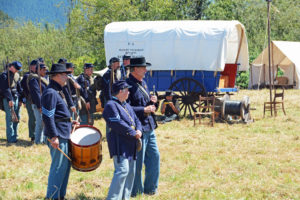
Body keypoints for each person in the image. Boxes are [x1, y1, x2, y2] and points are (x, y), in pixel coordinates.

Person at [42, 63, 77, 200]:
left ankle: (60, 195)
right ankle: (52, 196)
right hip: (58, 134)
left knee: (64, 167)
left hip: (64, 131)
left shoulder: (58, 91)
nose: (67, 77)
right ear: (56, 76)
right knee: (58, 167)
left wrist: (70, 121)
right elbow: (48, 116)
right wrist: (53, 136)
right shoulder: (50, 92)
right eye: (64, 75)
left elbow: (58, 115)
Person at [126, 56, 160, 196]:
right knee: (138, 163)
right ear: (135, 69)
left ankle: (151, 189)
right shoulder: (127, 85)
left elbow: (148, 105)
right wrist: (143, 110)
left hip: (149, 126)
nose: (146, 70)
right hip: (138, 128)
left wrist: (154, 102)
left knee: (154, 157)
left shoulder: (143, 83)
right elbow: (124, 108)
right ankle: (136, 191)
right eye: (143, 67)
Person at [103, 80, 142, 200]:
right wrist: (133, 132)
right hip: (120, 143)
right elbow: (116, 123)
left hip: (131, 142)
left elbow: (136, 120)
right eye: (127, 90)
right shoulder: (110, 105)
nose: (129, 92)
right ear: (120, 91)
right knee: (122, 171)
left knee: (130, 173)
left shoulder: (126, 104)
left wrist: (139, 130)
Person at [0, 61, 23, 143]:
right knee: (10, 118)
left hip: (16, 97)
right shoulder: (4, 75)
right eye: (16, 69)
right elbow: (5, 89)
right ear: (12, 67)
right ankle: (10, 138)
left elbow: (19, 88)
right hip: (8, 98)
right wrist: (9, 99)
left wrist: (21, 99)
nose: (17, 71)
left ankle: (15, 135)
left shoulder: (16, 75)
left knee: (16, 117)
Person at [28, 63, 49, 144]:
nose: (45, 71)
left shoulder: (43, 79)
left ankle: (43, 140)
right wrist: (40, 106)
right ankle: (37, 141)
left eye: (45, 69)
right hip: (38, 105)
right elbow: (36, 94)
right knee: (40, 123)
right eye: (43, 70)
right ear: (38, 70)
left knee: (44, 123)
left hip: (45, 104)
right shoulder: (34, 80)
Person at [20, 59, 37, 142]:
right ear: (31, 67)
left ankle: (37, 135)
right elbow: (23, 89)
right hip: (30, 100)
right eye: (35, 66)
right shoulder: (27, 76)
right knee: (32, 118)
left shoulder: (37, 75)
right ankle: (32, 135)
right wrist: (24, 99)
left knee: (37, 118)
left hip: (36, 100)